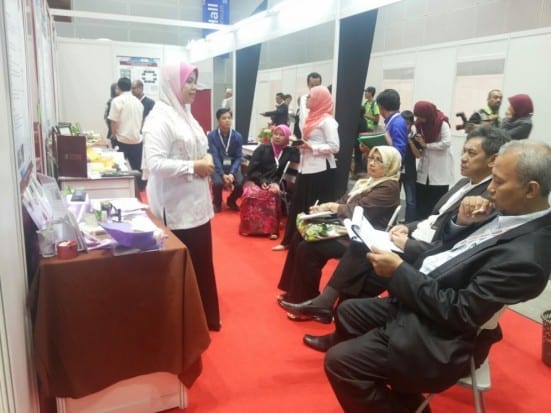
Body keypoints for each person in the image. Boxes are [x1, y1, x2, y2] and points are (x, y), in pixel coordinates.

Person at [306, 139, 551, 413]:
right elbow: (446, 250)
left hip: (444, 336)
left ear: (531, 190)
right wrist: (461, 223)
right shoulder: (508, 210)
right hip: (426, 301)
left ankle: (393, 382)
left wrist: (399, 272)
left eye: (498, 182)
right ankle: (404, 397)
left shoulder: (527, 257)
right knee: (349, 312)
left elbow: (460, 313)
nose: (490, 189)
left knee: (341, 363)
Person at [282, 126, 511, 322]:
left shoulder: (486, 198)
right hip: (406, 236)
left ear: (492, 160)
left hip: (426, 252)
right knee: (346, 251)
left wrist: (408, 243)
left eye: (472, 153)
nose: (463, 157)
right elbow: (433, 218)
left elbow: (452, 243)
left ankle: (329, 307)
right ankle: (329, 309)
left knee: (361, 251)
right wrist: (408, 227)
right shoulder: (464, 183)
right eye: (464, 151)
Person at [277, 146, 401, 318]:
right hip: (344, 229)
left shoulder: (390, 186)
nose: (372, 164)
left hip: (359, 238)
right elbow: (343, 201)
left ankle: (310, 302)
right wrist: (322, 208)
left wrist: (332, 207)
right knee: (301, 233)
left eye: (379, 161)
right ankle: (297, 294)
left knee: (308, 247)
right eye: (371, 159)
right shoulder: (366, 182)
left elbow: (359, 210)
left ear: (391, 165)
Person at [142, 62, 221, 331]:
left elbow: (202, 144)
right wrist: (193, 167)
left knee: (201, 262)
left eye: (196, 81)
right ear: (173, 84)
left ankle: (204, 318)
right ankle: (184, 323)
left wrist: (207, 157)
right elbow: (155, 164)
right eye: (188, 81)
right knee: (180, 269)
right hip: (175, 208)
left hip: (198, 204)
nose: (194, 87)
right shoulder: (158, 119)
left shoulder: (186, 115)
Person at [272, 85, 340, 251]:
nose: (307, 99)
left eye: (310, 96)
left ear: (319, 100)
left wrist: (311, 147)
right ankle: (290, 240)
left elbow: (335, 147)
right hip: (306, 167)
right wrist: (300, 144)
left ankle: (313, 243)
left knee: (314, 207)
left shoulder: (328, 121)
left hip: (321, 171)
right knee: (298, 205)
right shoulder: (310, 118)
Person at [240, 124, 299, 238]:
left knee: (273, 193)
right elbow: (252, 170)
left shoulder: (288, 151)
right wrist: (262, 181)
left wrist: (295, 142)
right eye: (275, 134)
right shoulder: (263, 148)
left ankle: (271, 229)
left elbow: (298, 157)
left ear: (287, 138)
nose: (277, 137)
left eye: (281, 135)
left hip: (274, 181)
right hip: (255, 179)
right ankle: (249, 227)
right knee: (251, 193)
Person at [413, 100, 454, 220]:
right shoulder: (419, 124)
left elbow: (447, 143)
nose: (420, 119)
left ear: (428, 114)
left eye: (422, 116)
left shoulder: (441, 123)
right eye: (418, 116)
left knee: (435, 204)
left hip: (439, 169)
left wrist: (427, 145)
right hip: (424, 170)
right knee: (421, 202)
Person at [108, 77, 146, 189]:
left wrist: (114, 136)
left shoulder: (116, 101)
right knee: (138, 168)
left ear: (117, 88)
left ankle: (120, 190)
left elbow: (113, 122)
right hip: (137, 140)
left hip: (121, 140)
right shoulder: (139, 102)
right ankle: (141, 190)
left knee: (119, 169)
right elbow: (141, 122)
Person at [207, 108, 244, 212]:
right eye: (224, 118)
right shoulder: (212, 136)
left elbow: (238, 157)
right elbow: (215, 156)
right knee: (218, 183)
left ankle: (231, 201)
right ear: (218, 120)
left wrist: (232, 173)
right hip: (217, 166)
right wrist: (222, 174)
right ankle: (217, 203)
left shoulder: (237, 136)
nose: (227, 120)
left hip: (232, 166)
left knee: (241, 183)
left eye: (229, 118)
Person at [373, 89, 408, 160]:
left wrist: (389, 141)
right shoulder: (393, 121)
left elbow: (399, 154)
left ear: (381, 106)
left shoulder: (397, 123)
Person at [294, 72, 323, 139]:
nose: (315, 88)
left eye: (317, 86)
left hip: (319, 137)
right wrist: (304, 134)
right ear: (308, 85)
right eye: (312, 85)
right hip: (305, 136)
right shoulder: (304, 99)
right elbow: (303, 118)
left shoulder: (324, 99)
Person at [104, 82, 118, 147]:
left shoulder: (112, 101)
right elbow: (107, 118)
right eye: (117, 88)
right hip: (115, 132)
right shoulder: (112, 102)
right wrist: (112, 131)